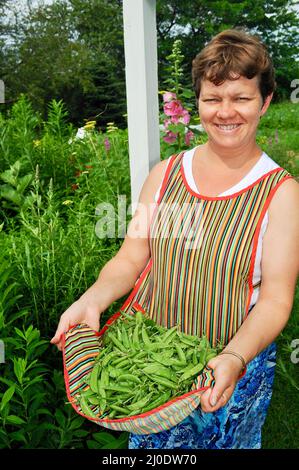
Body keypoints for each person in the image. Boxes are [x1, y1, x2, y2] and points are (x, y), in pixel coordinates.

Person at [51, 28, 299, 449]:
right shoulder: (165, 175)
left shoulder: (282, 194)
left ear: (266, 101)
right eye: (212, 98)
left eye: (241, 98)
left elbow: (275, 299)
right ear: (197, 102)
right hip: (150, 360)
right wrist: (93, 299)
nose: (226, 112)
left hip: (230, 365)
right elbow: (131, 257)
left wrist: (234, 358)